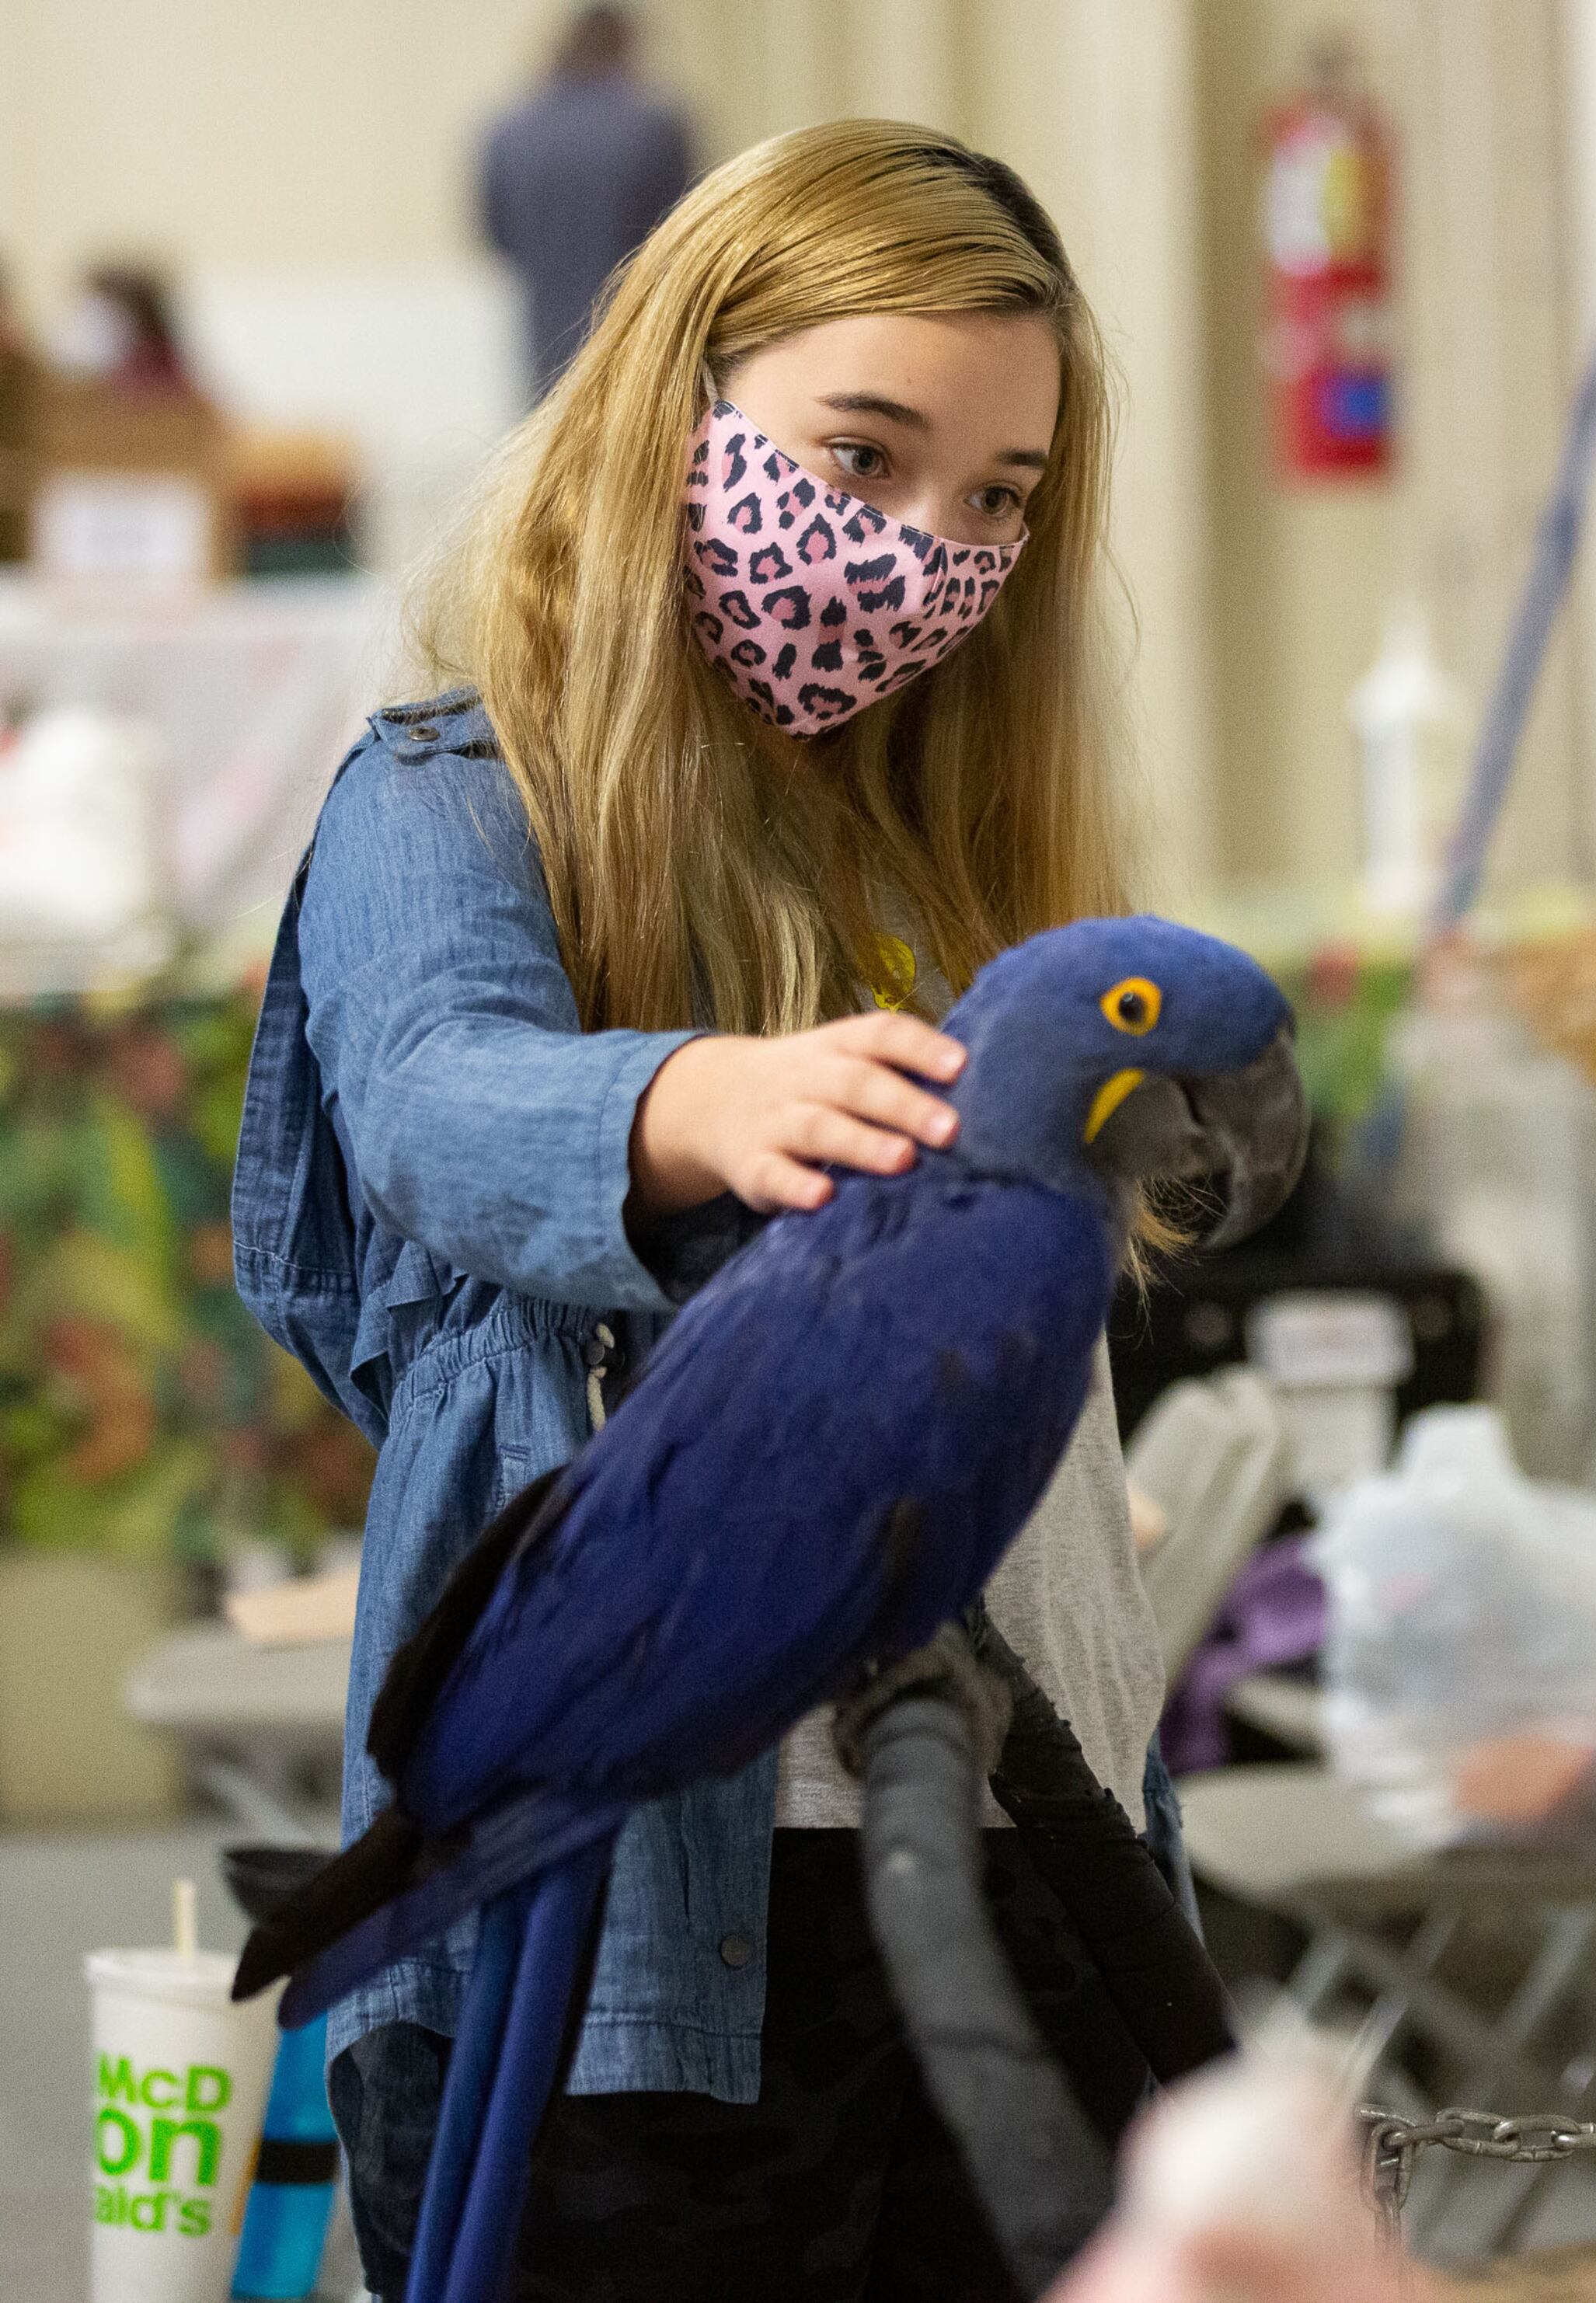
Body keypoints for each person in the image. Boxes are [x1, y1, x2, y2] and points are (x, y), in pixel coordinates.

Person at [232, 121, 1176, 2301]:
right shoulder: (450, 800)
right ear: (681, 409)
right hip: (642, 1943)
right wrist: (693, 1100)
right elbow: (437, 1095)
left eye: (1001, 501)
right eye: (864, 454)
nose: (928, 545)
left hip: (1020, 1866)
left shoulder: (955, 862)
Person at [480, 5, 693, 398]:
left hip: (543, 325)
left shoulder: (510, 130)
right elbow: (687, 229)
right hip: (634, 318)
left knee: (550, 428)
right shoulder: (655, 127)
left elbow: (495, 236)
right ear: (625, 47)